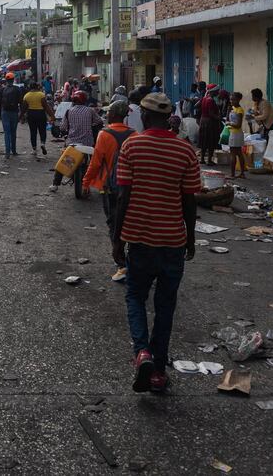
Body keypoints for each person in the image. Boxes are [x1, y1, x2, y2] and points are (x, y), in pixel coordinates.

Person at [112, 92, 201, 393]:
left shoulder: (132, 146)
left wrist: (116, 239)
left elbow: (122, 197)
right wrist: (190, 238)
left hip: (139, 239)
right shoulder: (185, 151)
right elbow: (190, 201)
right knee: (165, 306)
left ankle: (143, 352)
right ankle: (158, 371)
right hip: (172, 241)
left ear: (146, 117)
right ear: (168, 119)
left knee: (135, 297)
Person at [82, 100, 135, 282]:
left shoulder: (104, 135)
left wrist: (86, 181)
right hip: (130, 186)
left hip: (110, 187)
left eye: (109, 112)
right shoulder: (134, 134)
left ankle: (120, 262)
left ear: (113, 115)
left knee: (113, 223)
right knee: (127, 221)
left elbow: (96, 162)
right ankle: (126, 258)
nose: (107, 115)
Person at [20, 82, 54, 158]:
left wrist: (21, 117)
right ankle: (42, 143)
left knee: (33, 132)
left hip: (31, 114)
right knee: (42, 130)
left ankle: (34, 150)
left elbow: (23, 108)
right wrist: (52, 115)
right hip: (40, 114)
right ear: (37, 87)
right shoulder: (41, 94)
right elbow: (46, 107)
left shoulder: (27, 96)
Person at [0, 72, 22, 158]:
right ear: (13, 80)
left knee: (6, 133)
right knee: (13, 132)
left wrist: (0, 114)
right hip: (14, 113)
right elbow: (21, 102)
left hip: (5, 113)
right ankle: (14, 150)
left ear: (6, 80)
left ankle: (7, 152)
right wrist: (21, 114)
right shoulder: (17, 89)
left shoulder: (2, 89)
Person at [197, 84, 220, 166]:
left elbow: (196, 106)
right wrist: (218, 117)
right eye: (217, 91)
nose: (218, 92)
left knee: (204, 140)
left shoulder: (204, 98)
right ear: (213, 91)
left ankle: (202, 159)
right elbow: (211, 114)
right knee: (210, 141)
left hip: (203, 120)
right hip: (210, 122)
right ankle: (209, 160)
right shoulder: (210, 100)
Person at [227, 92, 246, 179]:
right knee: (238, 153)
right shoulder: (233, 108)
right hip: (234, 133)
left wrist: (229, 123)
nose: (231, 101)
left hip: (236, 133)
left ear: (239, 99)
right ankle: (242, 173)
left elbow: (238, 124)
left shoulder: (239, 110)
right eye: (231, 99)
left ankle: (232, 174)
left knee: (233, 153)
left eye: (233, 99)